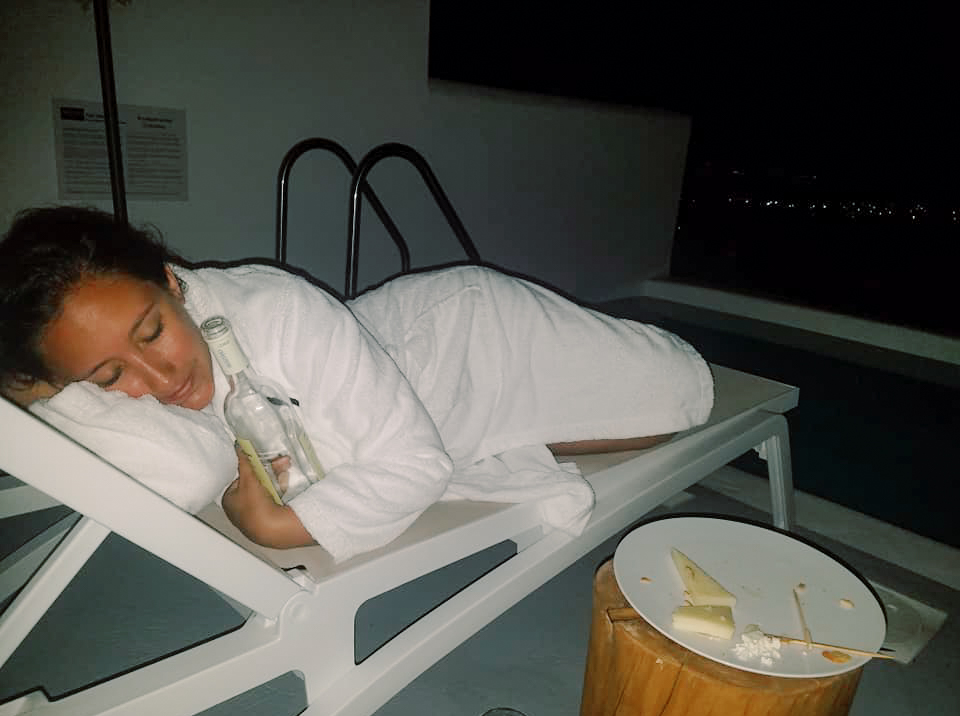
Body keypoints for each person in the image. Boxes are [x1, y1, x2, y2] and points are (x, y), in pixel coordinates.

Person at [0, 206, 714, 560]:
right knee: (530, 427)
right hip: (412, 382)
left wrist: (281, 525)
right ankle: (513, 421)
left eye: (152, 330)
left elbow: (414, 464)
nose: (160, 378)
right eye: (109, 375)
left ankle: (537, 401)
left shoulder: (273, 310)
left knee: (681, 393)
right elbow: (183, 473)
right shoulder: (103, 386)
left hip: (471, 335)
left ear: (170, 283)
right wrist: (46, 390)